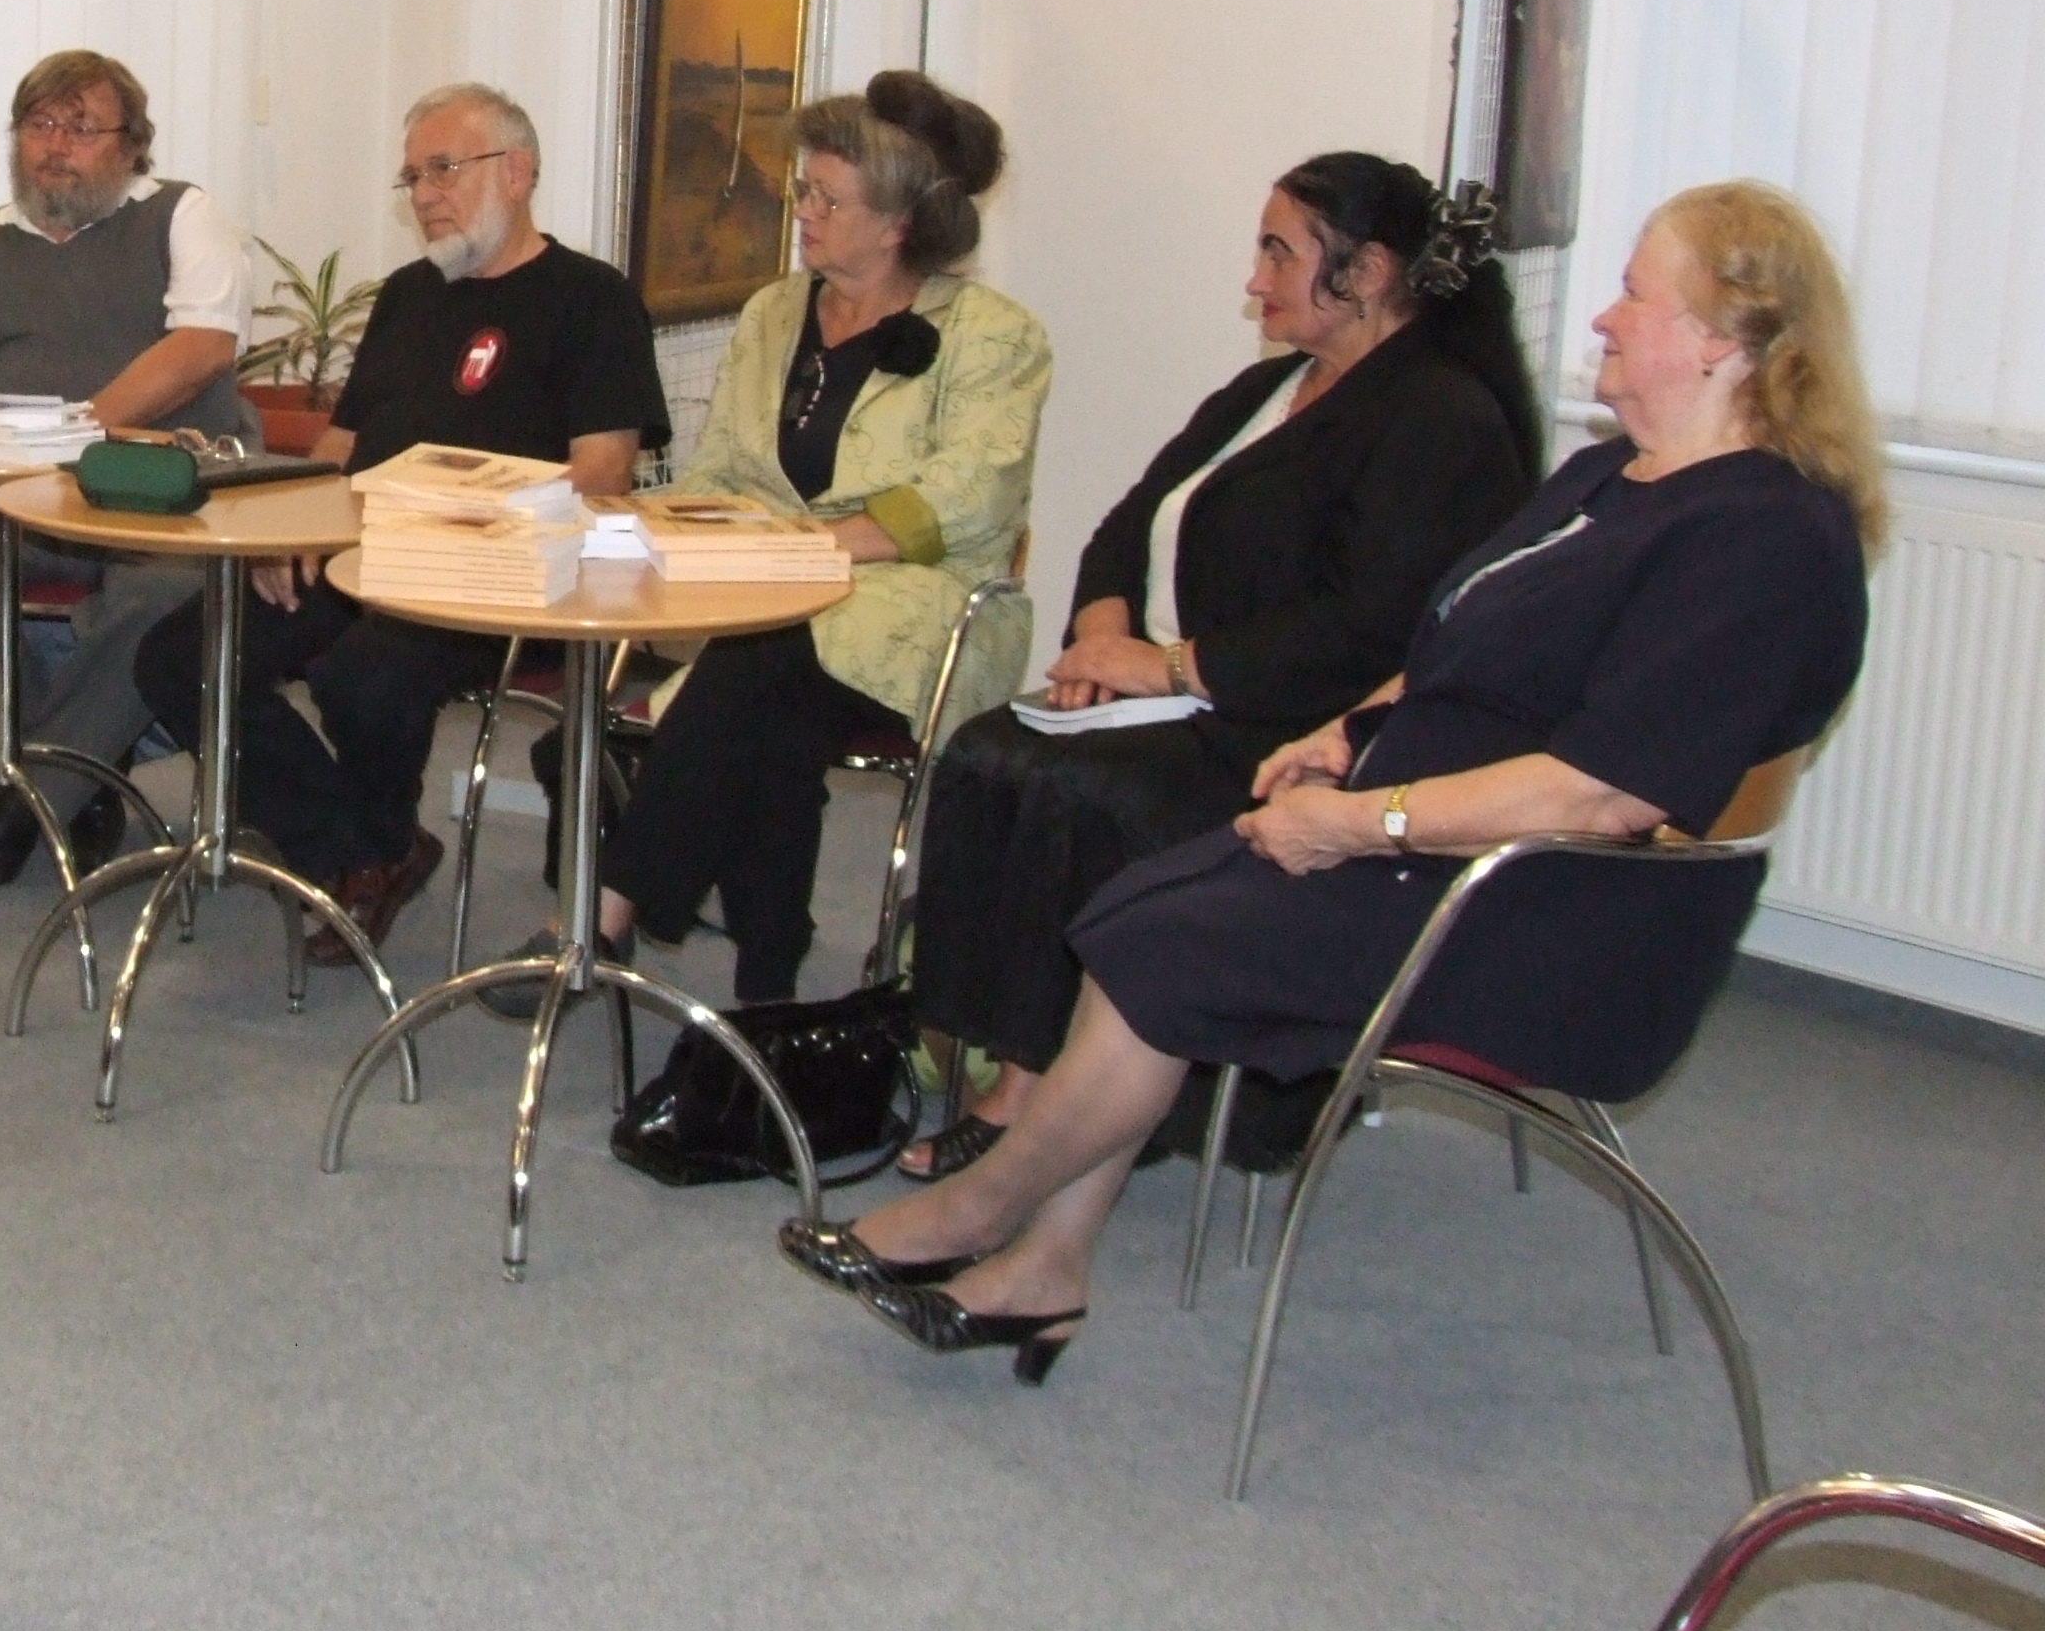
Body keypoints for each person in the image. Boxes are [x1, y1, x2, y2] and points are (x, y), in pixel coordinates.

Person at [787, 182, 1878, 1382]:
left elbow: (1599, 793)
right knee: (1134, 916)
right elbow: (1457, 645)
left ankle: (982, 1213)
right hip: (1433, 847)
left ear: (1721, 339)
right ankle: (1042, 1266)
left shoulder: (1763, 539)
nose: (1603, 318)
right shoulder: (1613, 477)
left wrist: (1359, 822)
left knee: (1175, 940)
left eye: (1632, 294)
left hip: (1549, 911)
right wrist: (1348, 733)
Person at [894, 154, 1542, 1180]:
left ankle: (1047, 1095)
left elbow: (1368, 629)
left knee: (1083, 791)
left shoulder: (1439, 417)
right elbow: (1131, 519)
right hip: (1182, 693)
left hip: (1300, 729)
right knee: (988, 751)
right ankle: (1001, 1055)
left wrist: (1168, 666)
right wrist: (1101, 630)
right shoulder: (1268, 387)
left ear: (1367, 272)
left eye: (1278, 252)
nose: (1254, 278)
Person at [523, 75, 1049, 1018]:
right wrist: (636, 524)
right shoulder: (774, 312)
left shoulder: (994, 337)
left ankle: (604, 912)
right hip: (764, 591)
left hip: (916, 603)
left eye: (826, 199)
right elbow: (721, 469)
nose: (801, 210)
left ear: (897, 225)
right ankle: (766, 987)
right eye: (804, 188)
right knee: (771, 724)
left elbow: (972, 498)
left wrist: (812, 551)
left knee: (756, 670)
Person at [132, 82, 670, 961]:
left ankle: (362, 857)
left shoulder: (592, 299)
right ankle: (361, 850)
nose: (423, 195)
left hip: (496, 580)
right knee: (180, 657)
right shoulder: (408, 297)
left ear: (518, 172)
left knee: (363, 678)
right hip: (360, 558)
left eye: (444, 170)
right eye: (413, 176)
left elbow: (602, 478)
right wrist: (287, 533)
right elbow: (339, 449)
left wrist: (462, 525)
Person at [0, 49, 258, 890]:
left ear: (132, 145)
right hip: (21, 492)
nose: (56, 146)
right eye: (40, 125)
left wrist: (82, 427)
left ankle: (26, 798)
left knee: (160, 600)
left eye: (82, 128)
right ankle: (70, 777)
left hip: (163, 495)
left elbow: (203, 347)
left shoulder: (180, 214)